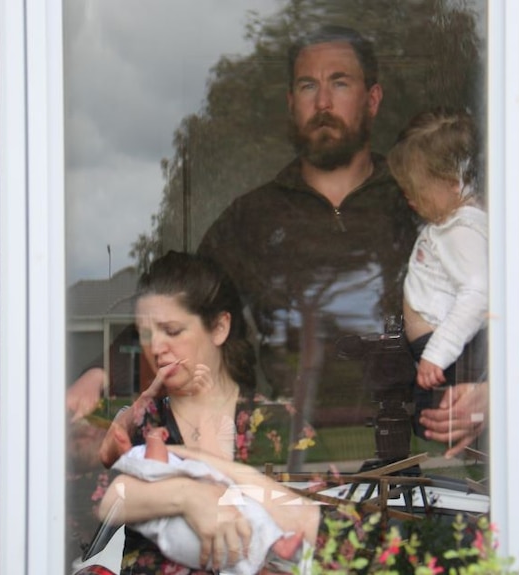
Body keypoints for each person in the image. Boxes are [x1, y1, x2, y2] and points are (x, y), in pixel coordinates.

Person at [197, 25, 419, 467]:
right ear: (290, 104)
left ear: (372, 100)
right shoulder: (252, 218)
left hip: (412, 460)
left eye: (339, 83)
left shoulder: (417, 204)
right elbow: (184, 310)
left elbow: (488, 312)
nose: (322, 103)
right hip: (285, 465)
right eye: (307, 86)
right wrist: (98, 376)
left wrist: (484, 389)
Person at [95, 250, 320, 575]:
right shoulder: (140, 422)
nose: (155, 348)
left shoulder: (281, 427)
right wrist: (187, 496)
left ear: (219, 328)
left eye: (171, 331)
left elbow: (318, 538)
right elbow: (98, 501)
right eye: (146, 335)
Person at [386, 110, 489, 450]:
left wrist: (437, 353)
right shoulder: (451, 226)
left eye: (417, 189)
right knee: (431, 422)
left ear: (452, 183)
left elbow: (478, 294)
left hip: (445, 358)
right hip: (438, 355)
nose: (408, 197)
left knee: (435, 421)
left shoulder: (462, 232)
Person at [111, 425, 305, 575]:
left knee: (235, 552)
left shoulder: (124, 472)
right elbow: (156, 468)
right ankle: (277, 543)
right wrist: (154, 439)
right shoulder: (135, 461)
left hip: (190, 546)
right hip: (186, 527)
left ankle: (268, 551)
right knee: (252, 512)